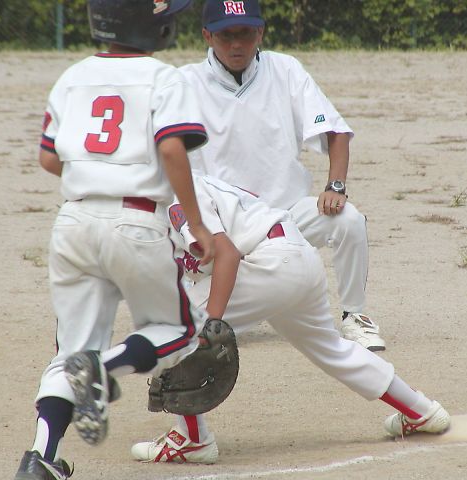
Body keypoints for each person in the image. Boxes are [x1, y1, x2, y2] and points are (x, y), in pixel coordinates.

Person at [13, 1, 215, 479]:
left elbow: (49, 159)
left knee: (68, 354)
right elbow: (171, 148)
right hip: (135, 221)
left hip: (73, 222)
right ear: (152, 24)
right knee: (179, 331)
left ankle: (40, 458)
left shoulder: (72, 76)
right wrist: (197, 224)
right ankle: (104, 368)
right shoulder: (165, 77)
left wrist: (95, 174)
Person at [129, 173, 450, 464]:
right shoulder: (170, 194)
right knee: (331, 348)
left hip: (269, 262)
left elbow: (226, 254)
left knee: (174, 328)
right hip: (297, 257)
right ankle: (421, 411)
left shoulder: (176, 196)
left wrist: (209, 325)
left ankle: (193, 440)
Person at [178, 0, 386, 351]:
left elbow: (335, 131)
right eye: (226, 35)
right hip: (221, 225)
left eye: (245, 33)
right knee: (186, 328)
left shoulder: (286, 70)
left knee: (348, 220)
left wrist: (336, 186)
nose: (236, 44)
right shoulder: (184, 82)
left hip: (285, 216)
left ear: (260, 32)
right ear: (207, 36)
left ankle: (355, 316)